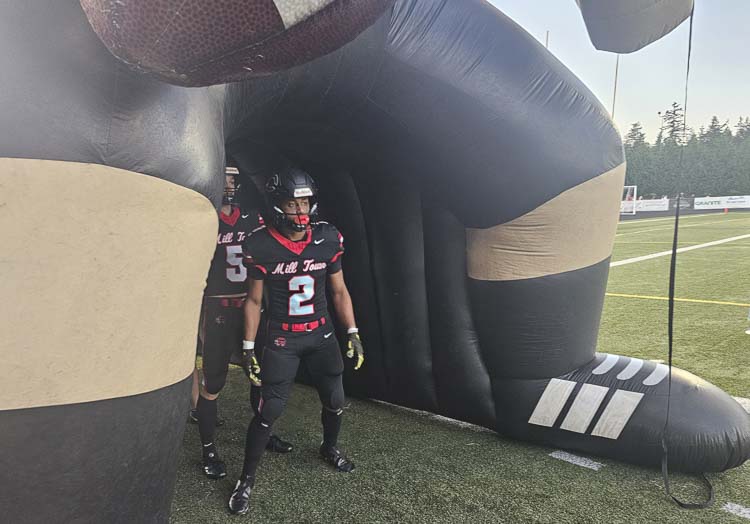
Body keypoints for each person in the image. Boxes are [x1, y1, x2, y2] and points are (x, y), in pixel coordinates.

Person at [228, 167, 365, 515]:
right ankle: (246, 479)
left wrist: (352, 331)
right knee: (268, 410)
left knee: (335, 399)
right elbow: (254, 301)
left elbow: (338, 290)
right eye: (292, 204)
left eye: (304, 203)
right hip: (283, 337)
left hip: (321, 334)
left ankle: (328, 447)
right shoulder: (260, 244)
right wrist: (247, 348)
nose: (301, 212)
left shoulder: (328, 238)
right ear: (277, 205)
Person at [196, 167, 293, 480]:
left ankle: (263, 431)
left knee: (260, 375)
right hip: (218, 309)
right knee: (213, 383)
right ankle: (208, 448)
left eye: (232, 178)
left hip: (251, 308)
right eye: (223, 176)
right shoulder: (203, 218)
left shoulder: (254, 219)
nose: (228, 184)